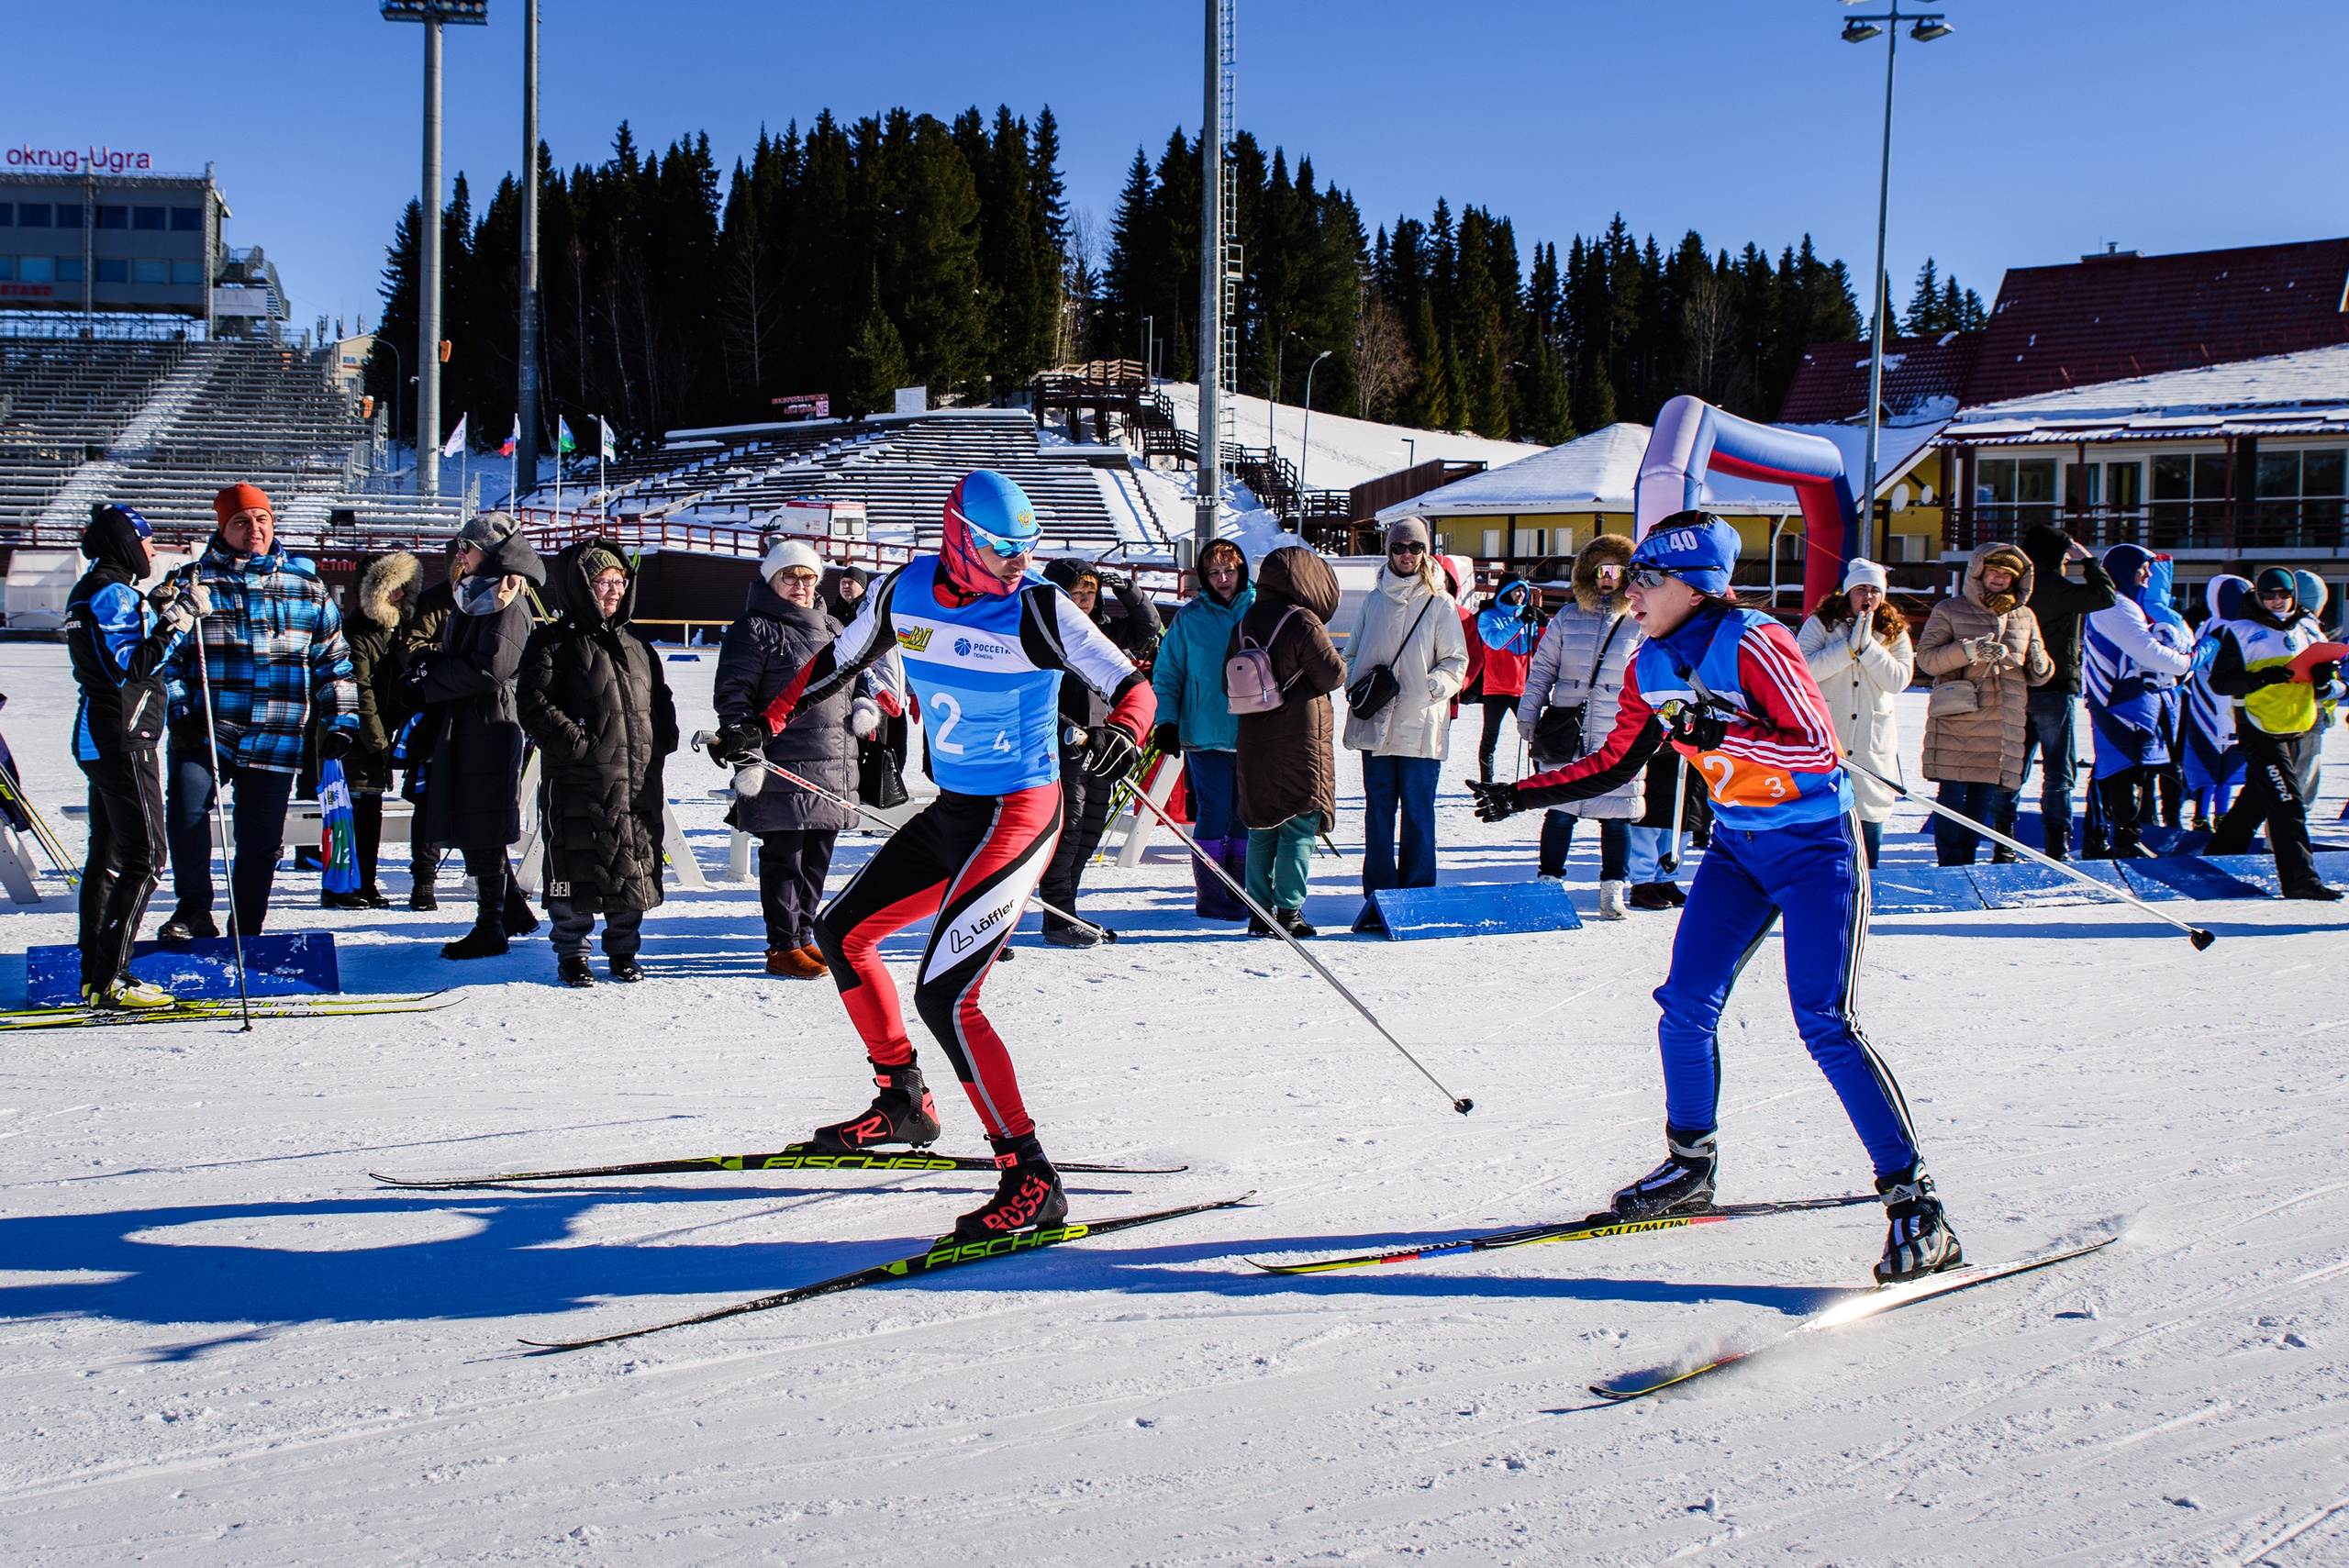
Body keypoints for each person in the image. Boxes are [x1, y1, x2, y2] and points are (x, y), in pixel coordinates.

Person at [1467, 512, 1958, 1284]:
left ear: (1692, 586)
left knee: (1824, 1021)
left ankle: (1917, 1205)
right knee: (1685, 1001)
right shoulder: (1648, 660)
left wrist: (1718, 732)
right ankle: (1689, 1165)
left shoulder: (1755, 639)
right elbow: (1615, 761)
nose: (1631, 592)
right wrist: (1519, 793)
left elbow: (1812, 747)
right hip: (1738, 849)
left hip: (1817, 849)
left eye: (1646, 580)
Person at [705, 470, 1155, 1241]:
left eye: (1026, 548)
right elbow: (835, 664)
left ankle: (1030, 1174)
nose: (1018, 562)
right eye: (1001, 548)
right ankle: (903, 1101)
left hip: (1021, 813)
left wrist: (1126, 730)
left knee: (948, 993)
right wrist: (764, 721)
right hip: (956, 811)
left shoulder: (1038, 607)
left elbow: (1131, 683)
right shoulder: (900, 592)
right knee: (842, 930)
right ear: (958, 536)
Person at [161, 484, 357, 941]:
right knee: (187, 814)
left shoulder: (305, 587)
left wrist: (342, 721)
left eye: (261, 519)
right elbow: (165, 660)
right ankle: (193, 911)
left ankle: (247, 925)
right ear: (222, 528)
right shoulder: (193, 583)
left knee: (262, 839)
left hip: (278, 732)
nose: (254, 529)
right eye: (241, 522)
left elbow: (334, 662)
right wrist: (180, 710)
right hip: (208, 728)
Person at [713, 539, 885, 977]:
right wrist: (743, 742)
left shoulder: (831, 624)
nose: (800, 585)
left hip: (832, 760)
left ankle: (804, 934)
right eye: (790, 576)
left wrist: (865, 704)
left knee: (817, 855)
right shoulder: (754, 627)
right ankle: (782, 944)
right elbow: (734, 693)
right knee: (785, 856)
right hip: (782, 759)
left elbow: (853, 674)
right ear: (772, 580)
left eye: (808, 576)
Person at [518, 539, 681, 984]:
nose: (613, 590)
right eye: (602, 582)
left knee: (630, 862)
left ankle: (624, 952)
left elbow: (660, 700)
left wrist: (662, 739)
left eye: (619, 581)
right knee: (575, 862)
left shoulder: (638, 646)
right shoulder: (552, 641)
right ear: (580, 588)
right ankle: (573, 952)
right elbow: (533, 703)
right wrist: (579, 745)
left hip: (636, 778)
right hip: (578, 780)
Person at [64, 504, 193, 1007]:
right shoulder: (113, 592)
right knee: (147, 859)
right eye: (146, 540)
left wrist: (158, 609)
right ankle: (110, 977)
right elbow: (131, 666)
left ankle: (94, 973)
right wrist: (177, 622)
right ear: (124, 542)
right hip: (122, 737)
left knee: (109, 855)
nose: (153, 549)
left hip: (100, 734)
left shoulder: (92, 589)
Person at [410, 512, 546, 960]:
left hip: (491, 722)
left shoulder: (508, 600)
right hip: (469, 719)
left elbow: (492, 669)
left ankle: (490, 926)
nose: (459, 555)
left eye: (465, 548)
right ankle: (511, 911)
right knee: (473, 816)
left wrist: (433, 673)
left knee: (483, 821)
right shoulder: (477, 593)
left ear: (488, 554)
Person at [1342, 517, 1468, 934]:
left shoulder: (1440, 603)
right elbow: (1352, 651)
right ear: (1389, 551)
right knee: (1378, 812)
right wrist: (1354, 683)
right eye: (1399, 548)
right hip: (1376, 722)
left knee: (1418, 812)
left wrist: (1430, 687)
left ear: (1425, 552)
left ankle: (1416, 895)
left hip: (1419, 722)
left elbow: (1457, 661)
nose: (1407, 555)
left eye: (1415, 548)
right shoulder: (1374, 600)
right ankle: (1378, 897)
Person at [1038, 558, 1162, 946]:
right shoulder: (1042, 635)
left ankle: (1066, 910)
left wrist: (1128, 589)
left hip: (1104, 744)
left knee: (1089, 830)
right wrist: (1065, 728)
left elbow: (1149, 628)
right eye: (1074, 594)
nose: (1084, 600)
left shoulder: (1106, 632)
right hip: (1065, 744)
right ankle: (1055, 916)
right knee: (1067, 833)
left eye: (1090, 592)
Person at [1517, 535, 1639, 917]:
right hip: (1567, 727)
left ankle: (1611, 888)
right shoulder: (1568, 617)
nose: (1607, 578)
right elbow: (1542, 670)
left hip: (1617, 730)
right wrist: (1528, 712)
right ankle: (1549, 883)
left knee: (1616, 815)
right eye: (1599, 569)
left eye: (1616, 570)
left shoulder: (1639, 622)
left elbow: (1655, 676)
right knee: (1560, 808)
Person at [2205, 567, 2343, 900]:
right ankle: (2300, 882)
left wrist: (2325, 678)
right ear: (2258, 597)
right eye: (2269, 596)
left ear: (2294, 595)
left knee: (2258, 798)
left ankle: (2221, 853)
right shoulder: (2239, 632)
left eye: (2283, 595)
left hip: (2299, 723)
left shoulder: (2310, 627)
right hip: (2259, 728)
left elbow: (2328, 685)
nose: (2277, 601)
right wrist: (2261, 678)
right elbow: (2220, 683)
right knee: (2287, 802)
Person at [1230, 545, 1346, 937]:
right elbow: (1332, 676)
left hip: (1255, 736)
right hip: (1300, 738)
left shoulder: (1245, 622)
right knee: (1298, 824)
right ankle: (1289, 912)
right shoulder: (1304, 622)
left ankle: (1258, 913)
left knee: (1262, 825)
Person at [1915, 542, 2051, 866]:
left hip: (2001, 726)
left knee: (1981, 801)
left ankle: (1968, 863)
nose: (1999, 578)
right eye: (1993, 571)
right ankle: (1949, 863)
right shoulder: (1950, 609)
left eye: (2007, 574)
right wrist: (1970, 651)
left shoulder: (2024, 616)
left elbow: (2037, 672)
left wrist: (2041, 664)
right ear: (1978, 572)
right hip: (1959, 721)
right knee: (1951, 798)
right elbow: (1928, 659)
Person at [1151, 537, 1255, 920]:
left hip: (1253, 733)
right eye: (1214, 572)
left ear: (1242, 571)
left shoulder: (1261, 609)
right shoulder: (1190, 618)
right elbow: (1168, 673)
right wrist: (1167, 721)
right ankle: (1211, 894)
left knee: (1245, 812)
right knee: (1213, 811)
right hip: (1205, 732)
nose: (1223, 578)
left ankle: (1241, 889)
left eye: (1230, 571)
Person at [1798, 558, 1915, 869]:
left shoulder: (1894, 630)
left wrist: (1868, 647)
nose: (1868, 596)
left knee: (1868, 808)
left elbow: (1899, 679)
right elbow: (1804, 668)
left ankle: (1868, 876)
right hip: (1829, 733)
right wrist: (1848, 649)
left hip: (1871, 738)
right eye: (1861, 588)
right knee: (1824, 810)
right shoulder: (1821, 623)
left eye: (1875, 590)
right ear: (1848, 592)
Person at [2081, 545, 2195, 859]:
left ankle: (2110, 837)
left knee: (2126, 770)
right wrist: (2189, 661)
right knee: (2117, 769)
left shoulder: (2127, 604)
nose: (2147, 576)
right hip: (2116, 700)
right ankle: (2116, 838)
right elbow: (2147, 652)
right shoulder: (2114, 606)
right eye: (2142, 569)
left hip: (2132, 700)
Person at [2015, 525, 2116, 859]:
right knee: (2059, 770)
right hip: (2055, 689)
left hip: (2018, 688)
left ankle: (2004, 842)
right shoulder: (2057, 587)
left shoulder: (2018, 588)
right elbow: (2105, 597)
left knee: (2013, 769)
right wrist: (2089, 563)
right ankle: (2057, 845)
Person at [331, 550, 423, 909]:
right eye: (392, 590)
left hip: (376, 736)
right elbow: (361, 692)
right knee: (349, 814)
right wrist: (379, 742)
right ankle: (341, 886)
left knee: (369, 813)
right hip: (354, 738)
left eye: (404, 589)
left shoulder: (393, 632)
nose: (399, 596)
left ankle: (364, 883)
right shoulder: (357, 634)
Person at [398, 543, 461, 909]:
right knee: (427, 799)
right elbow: (412, 648)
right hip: (435, 713)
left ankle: (491, 880)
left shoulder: (495, 596)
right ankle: (423, 880)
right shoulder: (436, 599)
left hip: (478, 712)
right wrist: (452, 655)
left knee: (480, 801)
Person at [2181, 575, 2251, 830]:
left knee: (2225, 762)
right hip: (2212, 704)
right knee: (2210, 761)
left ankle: (2217, 813)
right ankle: (2204, 814)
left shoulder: (2215, 626)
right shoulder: (2210, 627)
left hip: (2225, 704)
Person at [1473, 577, 1538, 784]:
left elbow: (1543, 647)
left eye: (1523, 592)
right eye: (1516, 591)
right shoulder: (1487, 616)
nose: (1520, 595)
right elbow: (1496, 642)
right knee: (1490, 737)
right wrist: (1519, 622)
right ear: (1505, 592)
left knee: (1537, 735)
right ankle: (1486, 782)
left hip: (1523, 688)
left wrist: (1543, 625)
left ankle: (1541, 779)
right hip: (1497, 688)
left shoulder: (1528, 617)